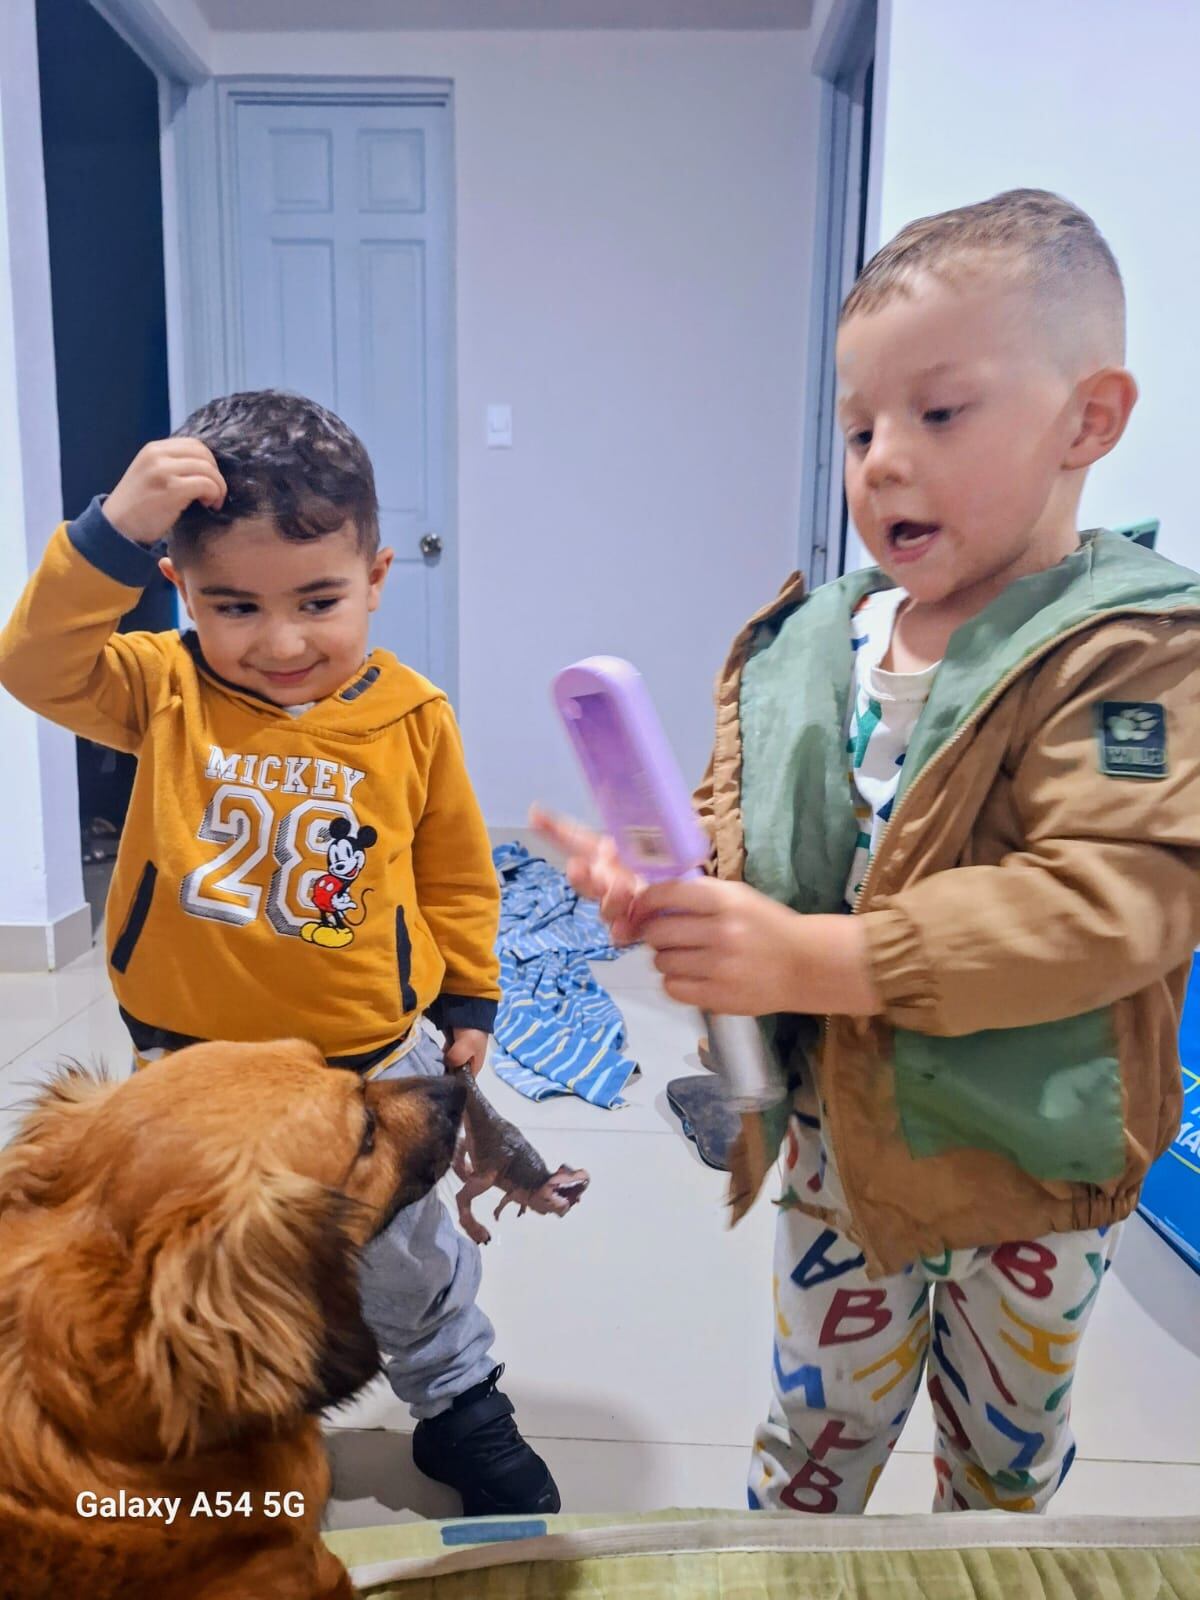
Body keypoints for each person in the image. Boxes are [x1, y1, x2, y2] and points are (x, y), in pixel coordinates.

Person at [536, 189, 1200, 1514]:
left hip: (1027, 1178)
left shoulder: (1133, 652)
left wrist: (823, 956)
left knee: (1001, 1478)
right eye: (858, 426)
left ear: (1092, 419)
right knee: (804, 1460)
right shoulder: (812, 648)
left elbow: (1112, 904)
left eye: (938, 414)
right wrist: (679, 905)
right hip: (839, 1162)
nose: (882, 459)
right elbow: (751, 860)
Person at [0, 389, 559, 1517]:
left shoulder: (413, 715)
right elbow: (34, 664)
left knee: (402, 1249)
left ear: (379, 577)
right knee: (216, 1248)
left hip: (365, 1055)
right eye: (234, 605)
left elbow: (454, 871)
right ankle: (250, 1403)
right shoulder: (161, 688)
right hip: (188, 1058)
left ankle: (459, 1402)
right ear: (179, 594)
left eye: (320, 599)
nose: (282, 640)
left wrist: (470, 996)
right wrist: (109, 531)